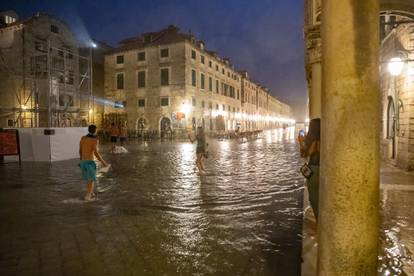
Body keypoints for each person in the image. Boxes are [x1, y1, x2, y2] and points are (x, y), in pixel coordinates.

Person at [298, 118, 320, 220]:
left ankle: (319, 222)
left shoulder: (312, 141)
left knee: (314, 198)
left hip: (314, 170)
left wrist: (301, 142)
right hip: (326, 170)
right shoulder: (326, 137)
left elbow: (304, 154)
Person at [79, 125, 109, 201]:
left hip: (83, 162)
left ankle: (91, 192)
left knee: (89, 179)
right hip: (90, 162)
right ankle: (88, 196)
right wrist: (104, 163)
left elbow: (80, 150)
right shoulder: (95, 140)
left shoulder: (83, 138)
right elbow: (96, 153)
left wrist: (81, 160)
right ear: (95, 131)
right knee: (91, 179)